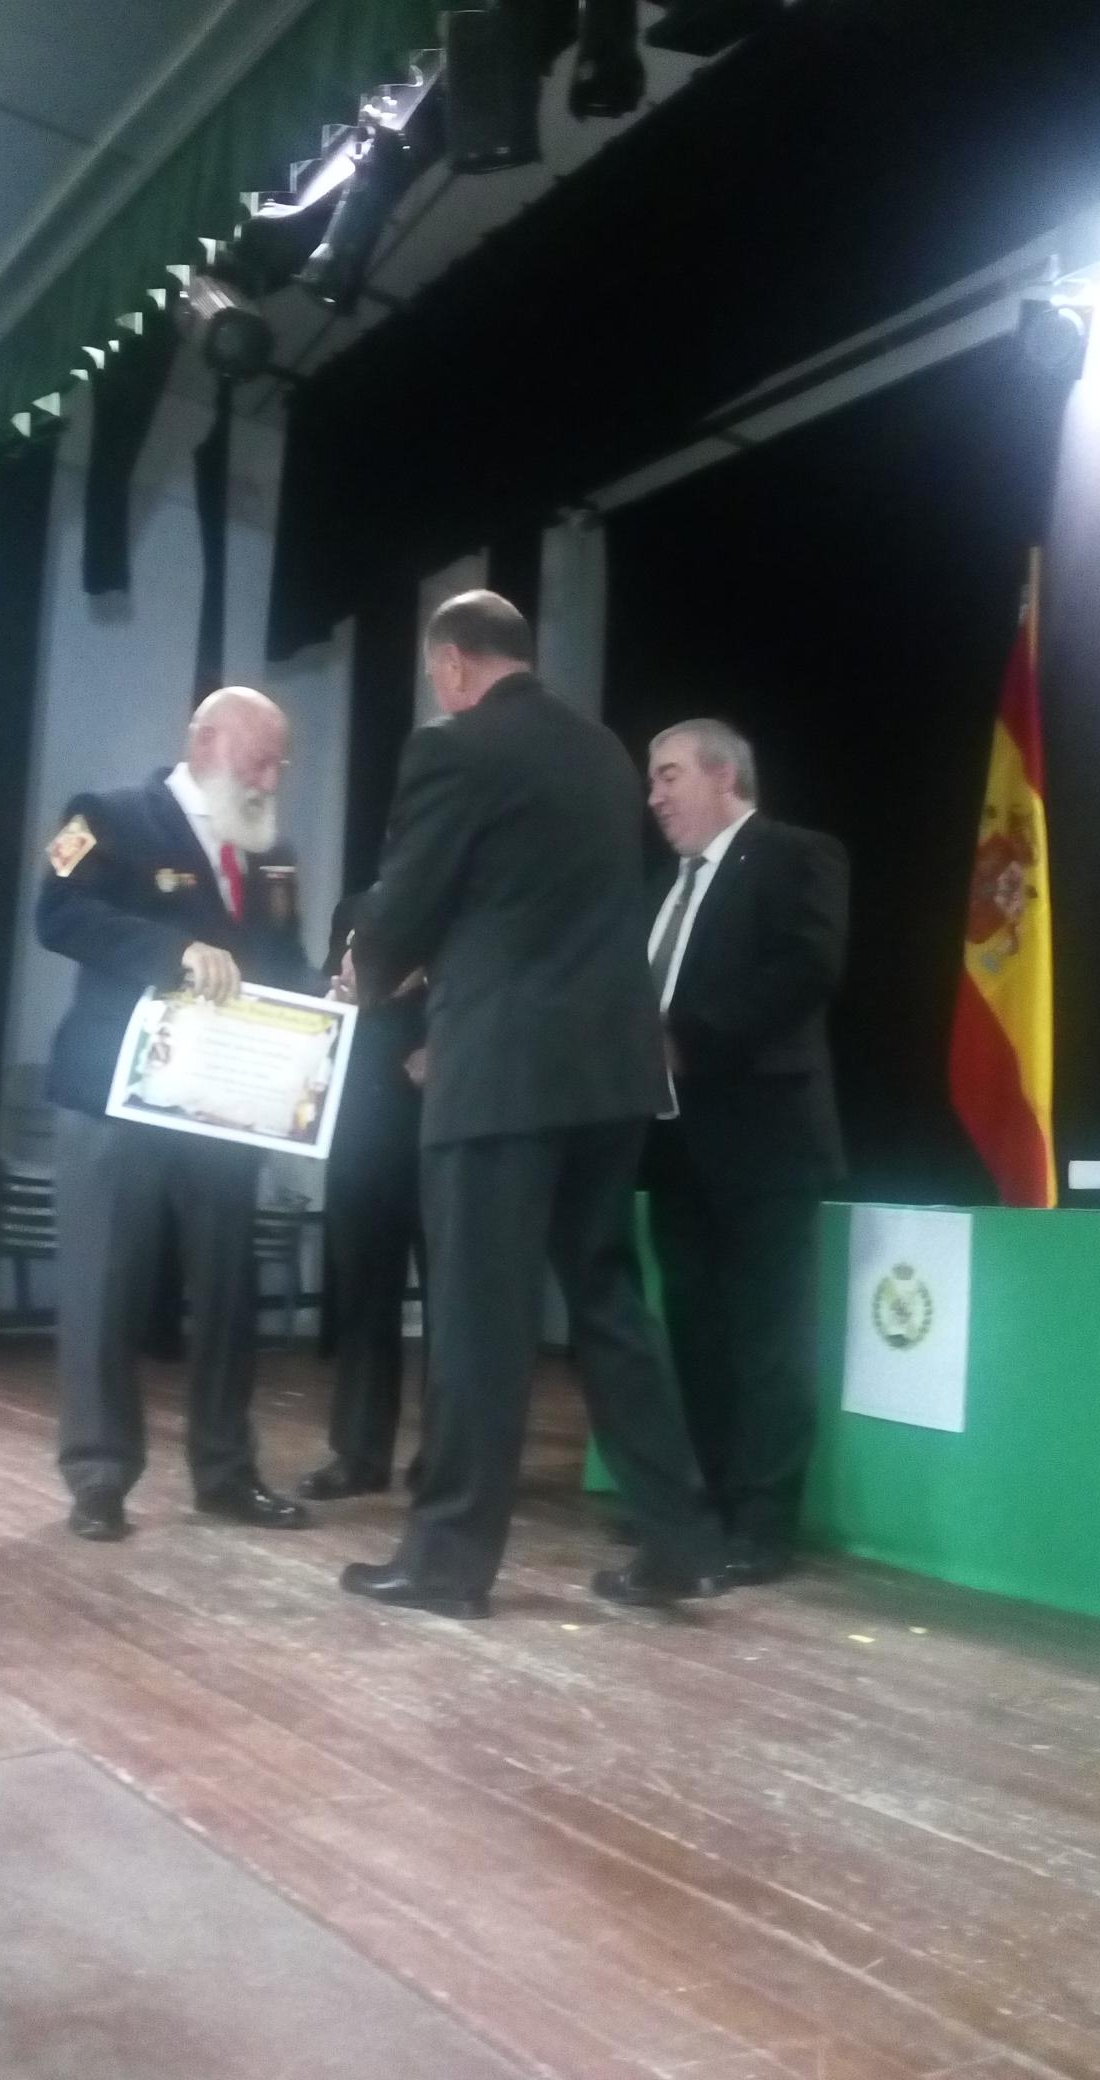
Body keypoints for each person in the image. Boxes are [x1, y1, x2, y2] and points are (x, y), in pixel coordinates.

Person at [338, 591, 726, 1619]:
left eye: (439, 675)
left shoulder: (452, 747)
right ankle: (679, 1539)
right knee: (608, 1306)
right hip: (608, 1073)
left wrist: (368, 966)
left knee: (477, 1316)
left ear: (454, 664)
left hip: (501, 1070)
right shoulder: (603, 754)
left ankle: (445, 1563)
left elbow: (412, 892)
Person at [37, 686, 315, 1541]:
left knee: (229, 1292)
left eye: (279, 765)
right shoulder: (105, 815)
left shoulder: (274, 857)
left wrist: (327, 1002)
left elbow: (284, 964)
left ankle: (227, 1472)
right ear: (204, 741)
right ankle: (98, 1477)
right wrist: (174, 950)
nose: (270, 780)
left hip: (224, 1106)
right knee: (103, 1289)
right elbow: (59, 913)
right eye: (258, 760)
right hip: (112, 1098)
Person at [642, 720, 849, 1585]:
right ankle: (709, 1510)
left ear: (723, 773)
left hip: (767, 1142)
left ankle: (762, 1528)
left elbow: (805, 970)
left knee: (769, 1341)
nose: (653, 797)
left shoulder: (798, 855)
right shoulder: (665, 887)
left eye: (668, 775)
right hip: (674, 1145)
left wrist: (685, 1038)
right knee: (696, 1334)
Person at [299, 894, 426, 1503]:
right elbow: (334, 986)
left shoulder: (466, 903)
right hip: (359, 1120)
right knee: (362, 1294)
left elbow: (494, 992)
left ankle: (449, 1456)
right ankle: (358, 1453)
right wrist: (337, 991)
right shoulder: (356, 908)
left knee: (453, 1300)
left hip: (442, 1117)